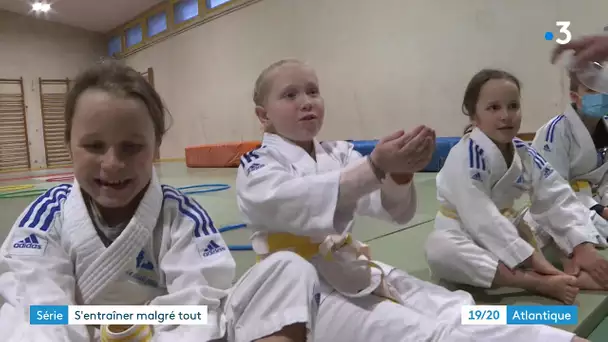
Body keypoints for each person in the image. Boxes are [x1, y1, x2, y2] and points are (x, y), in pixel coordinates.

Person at [236, 59, 586, 341]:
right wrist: (375, 166)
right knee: (425, 333)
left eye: (312, 91)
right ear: (263, 115)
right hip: (307, 289)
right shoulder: (258, 165)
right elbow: (291, 202)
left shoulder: (337, 154)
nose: (306, 102)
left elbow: (393, 210)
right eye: (290, 95)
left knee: (456, 307)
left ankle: (551, 336)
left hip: (354, 268)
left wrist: (400, 175)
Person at [0, 60, 319, 342]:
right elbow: (40, 309)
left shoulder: (182, 217)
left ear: (155, 146)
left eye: (131, 147)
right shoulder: (46, 216)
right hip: (74, 331)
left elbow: (196, 310)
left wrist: (138, 326)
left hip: (159, 333)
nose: (112, 163)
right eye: (94, 145)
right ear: (69, 144)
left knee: (288, 271)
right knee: (18, 315)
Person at [425, 69, 608, 309]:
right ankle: (536, 281)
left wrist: (581, 245)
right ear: (474, 116)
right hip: (463, 234)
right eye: (494, 108)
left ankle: (571, 269)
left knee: (546, 217)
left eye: (513, 106)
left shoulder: (524, 152)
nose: (506, 116)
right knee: (438, 249)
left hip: (510, 229)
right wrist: (536, 262)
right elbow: (481, 217)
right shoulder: (465, 155)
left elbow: (556, 196)